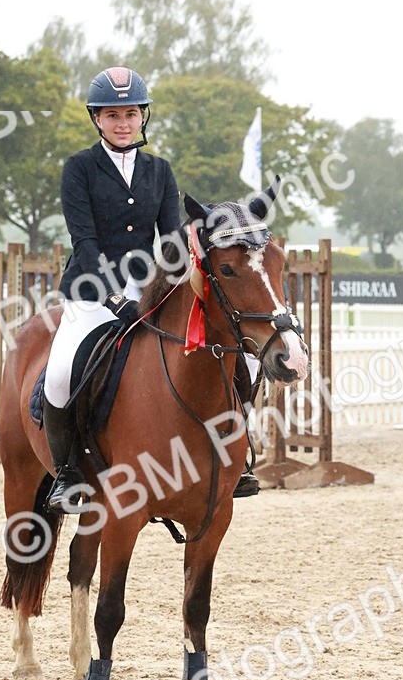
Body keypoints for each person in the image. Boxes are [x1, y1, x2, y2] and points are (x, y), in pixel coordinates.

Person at [43, 65, 260, 511]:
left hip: (147, 289)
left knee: (235, 357)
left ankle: (238, 454)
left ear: (143, 116)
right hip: (91, 293)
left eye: (130, 114)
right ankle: (68, 472)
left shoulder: (159, 171)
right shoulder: (79, 169)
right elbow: (83, 242)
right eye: (111, 115)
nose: (122, 123)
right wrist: (113, 297)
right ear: (97, 119)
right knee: (64, 372)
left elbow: (172, 239)